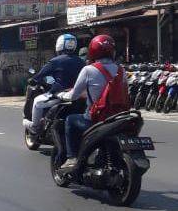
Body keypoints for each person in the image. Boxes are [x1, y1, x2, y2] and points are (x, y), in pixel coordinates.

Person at [58, 35, 121, 170]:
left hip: (97, 119)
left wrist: (62, 95)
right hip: (119, 118)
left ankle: (72, 157)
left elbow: (73, 95)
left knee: (70, 120)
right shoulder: (121, 70)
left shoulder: (88, 70)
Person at [23, 33, 85, 133]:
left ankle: (35, 126)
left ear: (59, 45)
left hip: (60, 93)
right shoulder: (81, 61)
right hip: (78, 94)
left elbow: (39, 75)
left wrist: (33, 80)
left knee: (37, 102)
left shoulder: (55, 61)